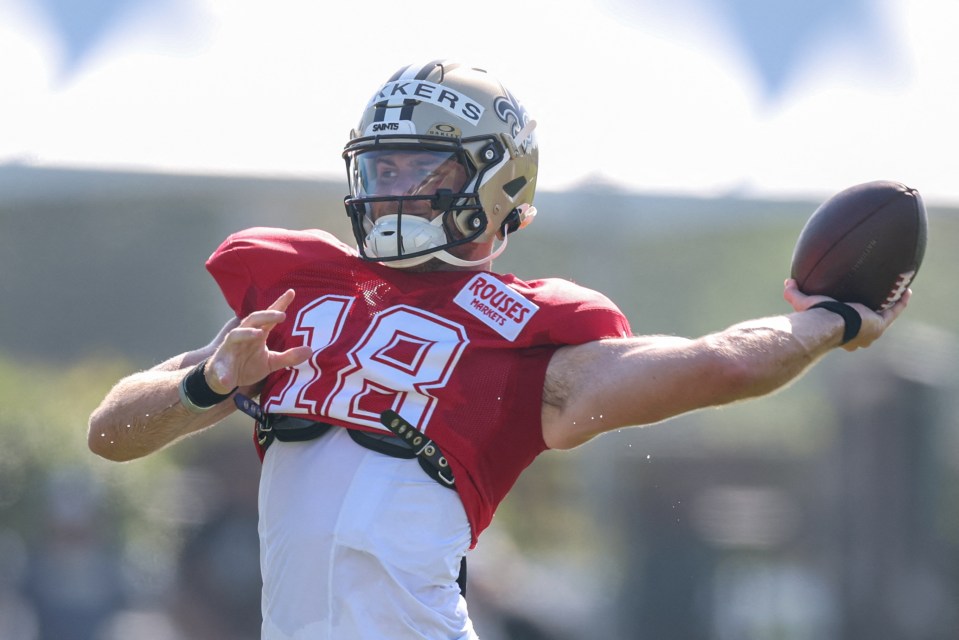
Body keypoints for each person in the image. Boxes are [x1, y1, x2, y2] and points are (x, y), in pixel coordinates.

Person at [88, 60, 909, 640]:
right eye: (381, 166)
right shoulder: (296, 296)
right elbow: (111, 432)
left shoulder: (524, 337)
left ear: (494, 185)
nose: (392, 187)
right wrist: (208, 384)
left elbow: (718, 361)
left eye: (421, 166)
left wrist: (828, 320)